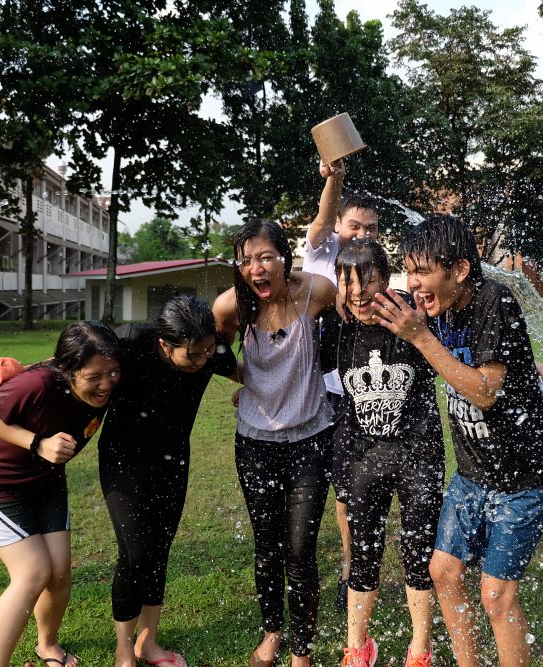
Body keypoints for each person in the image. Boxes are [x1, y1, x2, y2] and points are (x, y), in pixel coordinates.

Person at [371, 215, 543, 667]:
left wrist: (419, 337)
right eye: (408, 270)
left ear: (458, 270)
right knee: (443, 571)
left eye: (422, 271)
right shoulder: (439, 309)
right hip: (473, 474)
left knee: (495, 596)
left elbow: (484, 391)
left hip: (521, 479)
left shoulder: (494, 301)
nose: (413, 283)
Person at [213, 219, 338, 667]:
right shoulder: (232, 306)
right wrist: (242, 378)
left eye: (265, 257)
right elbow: (212, 350)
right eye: (246, 260)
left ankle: (302, 648)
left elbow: (355, 323)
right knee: (267, 545)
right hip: (255, 444)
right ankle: (272, 631)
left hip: (310, 440)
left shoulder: (317, 292)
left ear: (285, 258)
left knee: (300, 547)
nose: (256, 268)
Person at [0, 321, 122, 667]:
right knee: (33, 573)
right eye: (95, 377)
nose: (106, 384)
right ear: (69, 370)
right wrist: (38, 443)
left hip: (46, 482)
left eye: (112, 373)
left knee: (60, 570)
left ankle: (47, 645)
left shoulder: (106, 376)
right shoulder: (38, 383)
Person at [320, 239, 444, 667]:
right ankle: (358, 646)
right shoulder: (335, 324)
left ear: (385, 278)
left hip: (418, 454)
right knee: (364, 555)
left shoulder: (414, 311)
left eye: (367, 280)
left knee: (419, 554)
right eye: (346, 281)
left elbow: (456, 323)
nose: (357, 292)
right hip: (363, 456)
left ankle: (420, 649)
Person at [99, 295, 237, 667]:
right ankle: (124, 651)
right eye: (192, 355)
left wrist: (250, 393)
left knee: (159, 551)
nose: (202, 361)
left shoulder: (211, 351)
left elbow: (247, 373)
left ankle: (148, 643)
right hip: (123, 459)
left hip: (172, 461)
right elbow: (76, 362)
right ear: (164, 344)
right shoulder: (129, 343)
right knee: (135, 553)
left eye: (208, 351)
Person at [304, 159, 383, 610]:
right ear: (340, 225)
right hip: (320, 395)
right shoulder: (322, 254)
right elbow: (318, 222)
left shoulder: (376, 269)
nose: (362, 235)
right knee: (327, 490)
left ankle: (353, 571)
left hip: (367, 393)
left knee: (357, 488)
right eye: (354, 226)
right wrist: (333, 179)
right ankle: (330, 568)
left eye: (370, 228)